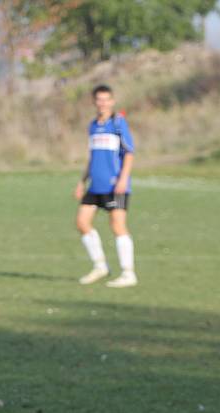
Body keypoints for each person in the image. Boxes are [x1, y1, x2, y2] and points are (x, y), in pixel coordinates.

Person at [74, 84, 137, 288]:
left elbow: (128, 153)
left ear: (112, 101)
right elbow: (92, 157)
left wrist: (122, 179)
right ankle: (100, 266)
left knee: (117, 226)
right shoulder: (93, 125)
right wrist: (82, 181)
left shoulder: (118, 123)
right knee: (82, 222)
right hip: (95, 185)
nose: (102, 103)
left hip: (114, 185)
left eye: (106, 99)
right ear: (94, 102)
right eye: (99, 99)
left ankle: (128, 273)